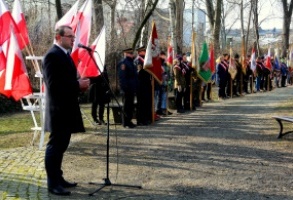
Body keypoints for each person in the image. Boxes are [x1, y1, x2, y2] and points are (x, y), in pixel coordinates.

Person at [42, 25, 90, 196]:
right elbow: (53, 85)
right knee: (55, 146)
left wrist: (79, 84)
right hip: (58, 109)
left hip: (67, 108)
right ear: (58, 37)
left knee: (62, 145)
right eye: (69, 36)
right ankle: (52, 183)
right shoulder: (52, 56)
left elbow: (67, 80)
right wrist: (77, 85)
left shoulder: (65, 55)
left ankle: (59, 177)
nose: (73, 39)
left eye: (73, 36)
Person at [118, 48, 138, 128]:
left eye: (132, 53)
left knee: (130, 105)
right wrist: (124, 88)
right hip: (127, 88)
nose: (132, 54)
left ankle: (129, 120)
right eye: (130, 53)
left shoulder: (131, 62)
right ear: (126, 53)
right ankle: (125, 122)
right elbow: (122, 77)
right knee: (126, 105)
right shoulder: (123, 63)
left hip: (131, 88)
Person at [134, 46, 152, 125]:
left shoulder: (145, 60)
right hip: (141, 85)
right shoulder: (138, 60)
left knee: (147, 102)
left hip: (146, 84)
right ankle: (140, 120)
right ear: (140, 52)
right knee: (141, 103)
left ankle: (147, 118)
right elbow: (138, 73)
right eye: (144, 51)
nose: (145, 52)